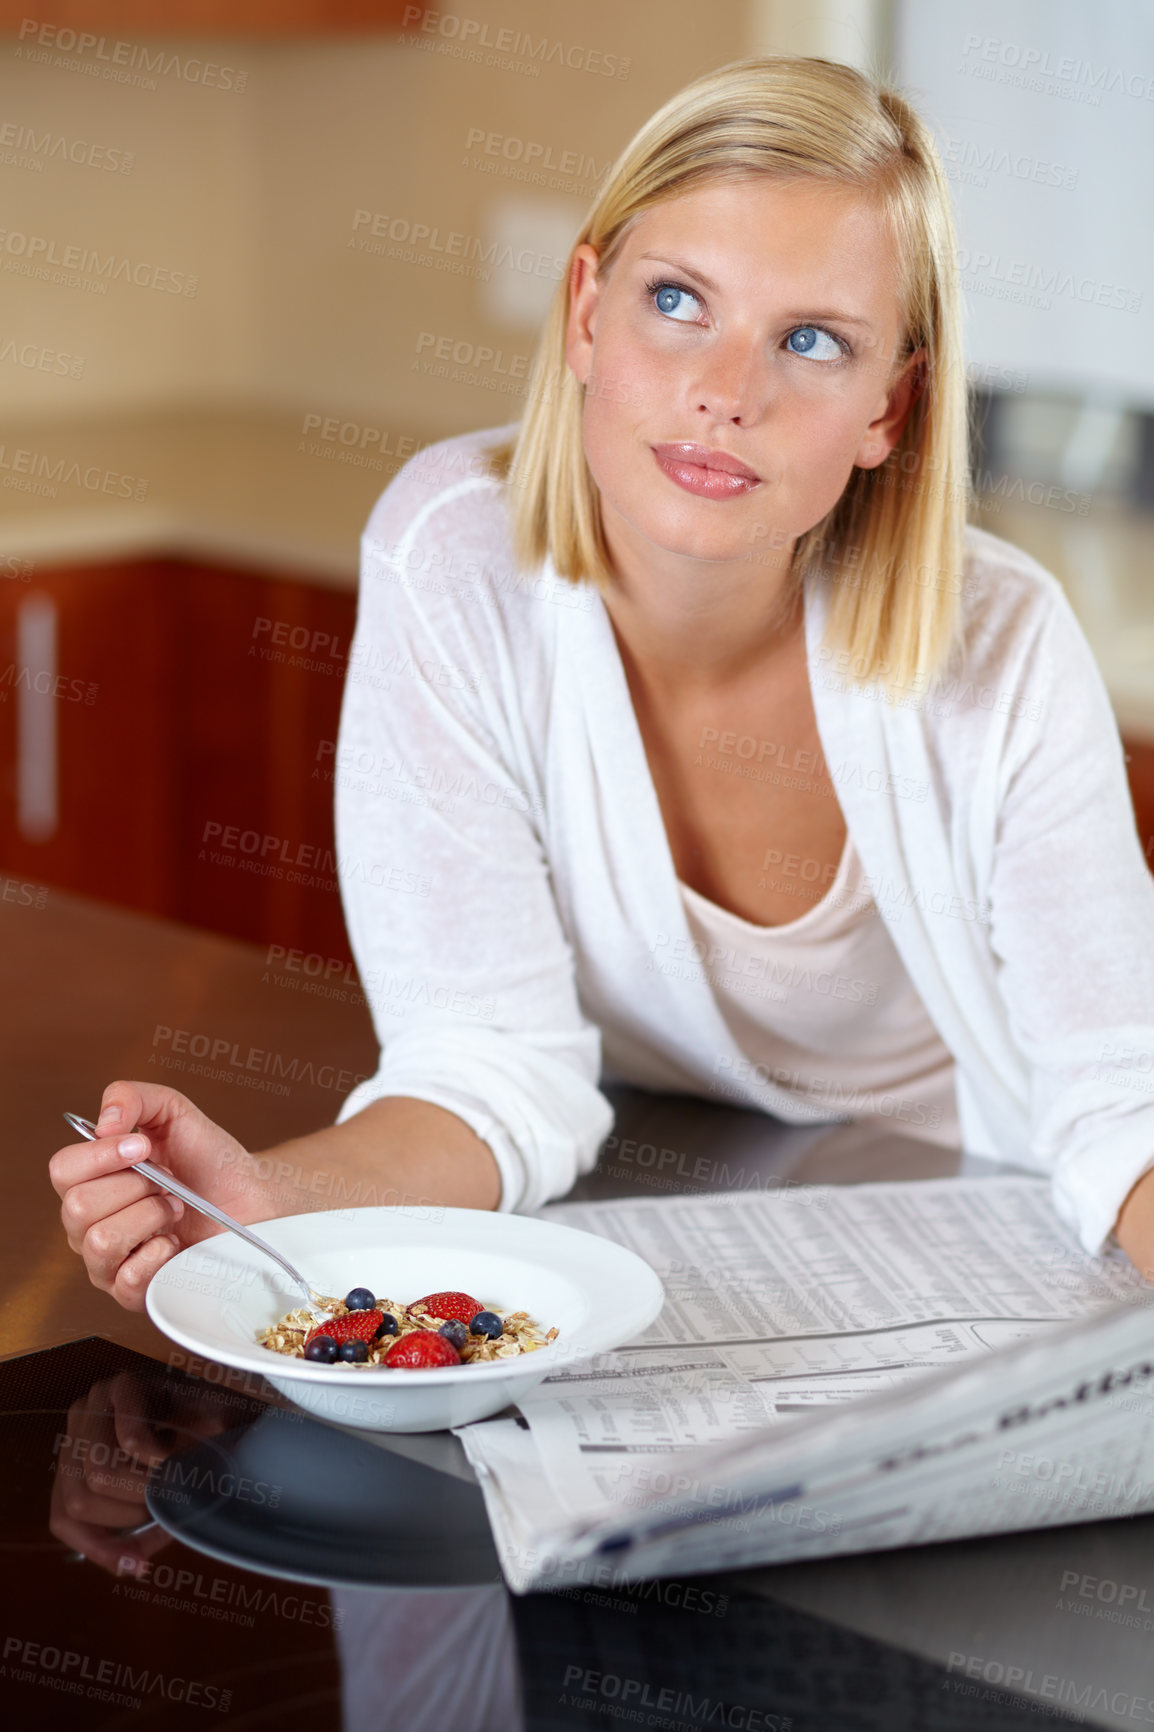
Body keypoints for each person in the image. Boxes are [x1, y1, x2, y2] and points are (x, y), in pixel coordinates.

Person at [49, 56, 1154, 1308]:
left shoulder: (1001, 643)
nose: (725, 393)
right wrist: (267, 1203)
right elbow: (487, 1064)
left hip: (981, 1218)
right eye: (678, 300)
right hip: (645, 1203)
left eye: (810, 340)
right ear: (585, 311)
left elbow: (1120, 1109)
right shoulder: (452, 558)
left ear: (886, 408)